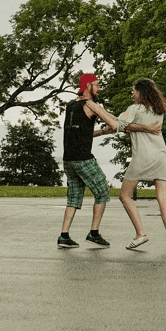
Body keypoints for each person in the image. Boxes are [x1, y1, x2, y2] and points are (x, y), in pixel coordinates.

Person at [56, 73, 120, 249]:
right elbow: (114, 123)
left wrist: (102, 132)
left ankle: (64, 236)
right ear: (88, 86)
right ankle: (94, 233)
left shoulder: (71, 106)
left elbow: (80, 133)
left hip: (68, 159)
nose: (99, 89)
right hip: (83, 159)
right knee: (102, 192)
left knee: (74, 198)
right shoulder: (90, 105)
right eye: (97, 85)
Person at [115, 78, 166, 252]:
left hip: (142, 156)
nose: (132, 94)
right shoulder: (159, 110)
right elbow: (128, 126)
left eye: (134, 91)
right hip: (160, 156)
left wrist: (134, 127)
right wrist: (140, 127)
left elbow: (119, 125)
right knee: (163, 198)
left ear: (140, 92)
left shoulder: (135, 109)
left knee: (124, 195)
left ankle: (140, 233)